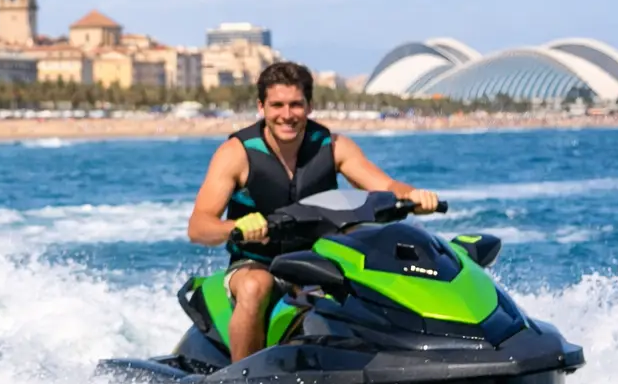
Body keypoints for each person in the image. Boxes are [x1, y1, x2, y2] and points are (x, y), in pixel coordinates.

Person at [187, 61, 440, 361]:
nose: (287, 115)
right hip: (256, 263)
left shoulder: (333, 146)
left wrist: (413, 197)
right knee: (257, 286)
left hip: (320, 262)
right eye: (277, 105)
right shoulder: (236, 153)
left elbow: (384, 185)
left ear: (309, 105)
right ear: (261, 106)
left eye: (296, 105)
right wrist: (237, 227)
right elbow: (198, 226)